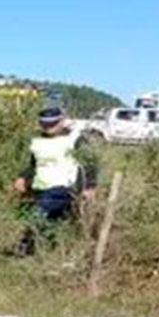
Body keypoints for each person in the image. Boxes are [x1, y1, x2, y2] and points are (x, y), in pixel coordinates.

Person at [8, 105, 97, 256]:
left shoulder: (75, 139)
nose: (48, 127)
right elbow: (33, 164)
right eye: (44, 123)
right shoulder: (36, 141)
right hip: (41, 187)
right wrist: (22, 178)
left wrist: (90, 186)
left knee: (38, 214)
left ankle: (23, 246)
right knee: (53, 222)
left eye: (53, 123)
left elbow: (89, 163)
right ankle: (46, 252)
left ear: (62, 121)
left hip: (65, 187)